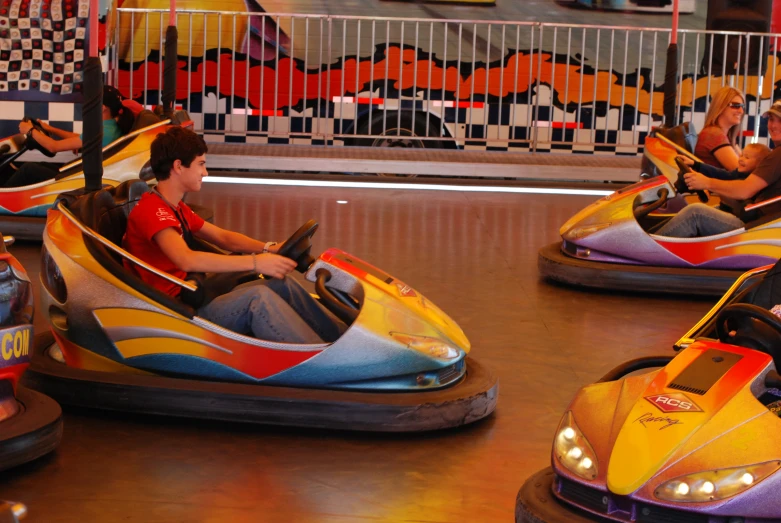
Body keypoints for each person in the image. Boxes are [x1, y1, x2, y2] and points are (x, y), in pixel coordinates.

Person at [122, 126, 345, 344]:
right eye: (201, 164)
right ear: (179, 166)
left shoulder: (174, 207)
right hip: (176, 312)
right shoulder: (153, 211)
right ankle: (321, 367)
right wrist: (257, 263)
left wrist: (269, 248)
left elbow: (223, 237)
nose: (205, 172)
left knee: (282, 285)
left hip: (194, 293)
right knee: (258, 300)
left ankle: (341, 344)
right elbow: (186, 258)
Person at [656, 101, 781, 238]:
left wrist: (707, 182)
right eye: (771, 119)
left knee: (695, 213)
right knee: (704, 211)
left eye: (779, 121)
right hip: (759, 222)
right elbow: (735, 177)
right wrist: (698, 168)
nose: (773, 125)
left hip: (758, 229)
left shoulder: (777, 155)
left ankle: (647, 251)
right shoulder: (774, 154)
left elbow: (744, 190)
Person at [2, 85, 135, 188]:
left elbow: (53, 147)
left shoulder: (103, 131)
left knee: (28, 170)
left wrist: (30, 130)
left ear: (102, 108)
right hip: (83, 174)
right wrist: (51, 129)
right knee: (39, 166)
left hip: (82, 180)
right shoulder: (110, 127)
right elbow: (80, 137)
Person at [694, 86, 746, 171]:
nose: (741, 111)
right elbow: (740, 171)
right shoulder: (713, 134)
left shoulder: (726, 136)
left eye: (742, 106)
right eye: (736, 105)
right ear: (720, 106)